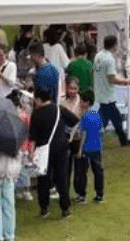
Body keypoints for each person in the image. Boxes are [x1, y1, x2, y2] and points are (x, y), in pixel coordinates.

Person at [29, 90, 80, 219]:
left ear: (39, 99)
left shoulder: (36, 114)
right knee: (62, 176)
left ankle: (44, 208)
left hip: (43, 149)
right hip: (61, 147)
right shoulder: (58, 109)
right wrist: (67, 135)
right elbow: (74, 120)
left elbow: (33, 138)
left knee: (43, 179)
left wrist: (31, 154)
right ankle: (65, 208)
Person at [94, 35, 130, 147]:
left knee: (115, 118)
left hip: (102, 91)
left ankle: (123, 140)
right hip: (107, 94)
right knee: (106, 120)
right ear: (114, 45)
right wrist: (126, 81)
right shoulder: (109, 59)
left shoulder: (98, 55)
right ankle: (96, 139)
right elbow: (112, 79)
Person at [74, 91, 104, 204]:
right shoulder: (97, 114)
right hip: (97, 147)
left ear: (86, 102)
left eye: (81, 101)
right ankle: (99, 194)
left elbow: (83, 134)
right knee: (98, 171)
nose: (80, 103)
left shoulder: (84, 117)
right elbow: (101, 131)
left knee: (82, 172)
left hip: (86, 148)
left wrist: (79, 150)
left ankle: (81, 195)